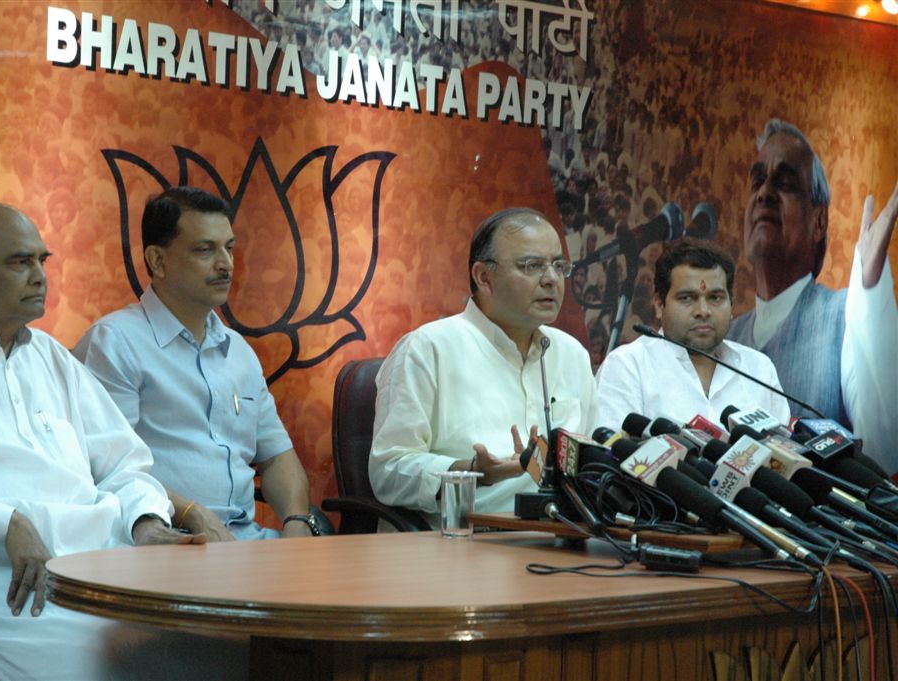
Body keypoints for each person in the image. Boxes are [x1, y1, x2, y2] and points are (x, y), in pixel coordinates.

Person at [0, 202, 248, 680]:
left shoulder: (52, 357)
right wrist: (3, 520)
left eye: (41, 261)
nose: (39, 277)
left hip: (101, 567)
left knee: (225, 643)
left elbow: (124, 465)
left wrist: (147, 522)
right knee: (111, 659)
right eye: (19, 262)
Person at [74, 187, 318, 540]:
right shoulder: (114, 343)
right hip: (168, 541)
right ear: (158, 261)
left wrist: (297, 521)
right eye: (205, 250)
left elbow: (277, 457)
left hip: (248, 541)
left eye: (229, 248)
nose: (226, 264)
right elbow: (106, 467)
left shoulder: (238, 351)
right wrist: (189, 513)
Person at [369, 207, 596, 528]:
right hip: (460, 546)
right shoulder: (427, 348)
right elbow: (387, 471)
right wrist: (472, 470)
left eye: (559, 266)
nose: (551, 279)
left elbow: (593, 459)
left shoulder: (571, 354)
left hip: (561, 538)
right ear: (483, 277)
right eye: (532, 266)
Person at [726, 119, 898, 473]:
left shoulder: (844, 316)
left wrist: (870, 286)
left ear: (819, 222)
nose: (764, 193)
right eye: (757, 181)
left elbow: (884, 447)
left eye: (784, 183)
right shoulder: (726, 338)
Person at [595, 238, 790, 431]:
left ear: (731, 304)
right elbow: (610, 454)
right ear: (658, 305)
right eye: (687, 298)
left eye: (715, 298)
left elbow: (785, 456)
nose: (703, 311)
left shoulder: (759, 369)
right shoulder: (628, 367)